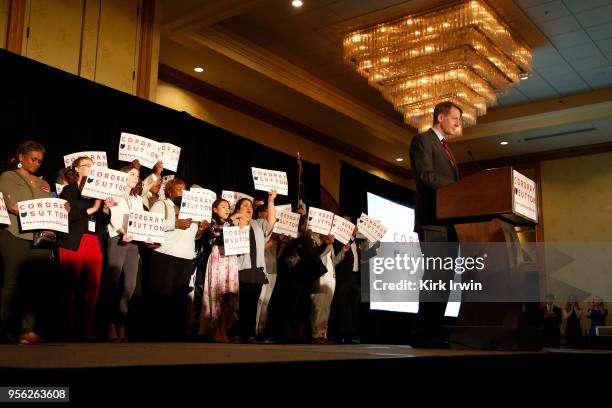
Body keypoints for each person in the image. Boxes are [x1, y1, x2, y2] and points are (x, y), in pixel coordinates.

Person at [408, 101, 461, 348]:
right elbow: (426, 175)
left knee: (446, 279)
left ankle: (434, 330)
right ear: (441, 117)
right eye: (455, 118)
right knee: (435, 277)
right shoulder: (422, 141)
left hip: (450, 223)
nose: (458, 123)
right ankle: (422, 333)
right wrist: (457, 189)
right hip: (432, 222)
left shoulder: (448, 149)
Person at [0, 141, 54, 344]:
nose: (37, 163)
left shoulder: (44, 184)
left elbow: (48, 206)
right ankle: (6, 329)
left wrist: (59, 208)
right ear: (21, 157)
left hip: (38, 238)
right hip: (14, 234)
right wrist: (18, 207)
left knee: (33, 285)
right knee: (11, 282)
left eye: (40, 161)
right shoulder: (8, 177)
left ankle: (27, 330)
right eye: (33, 159)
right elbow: (10, 202)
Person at [57, 156, 112, 340]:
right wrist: (92, 208)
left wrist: (104, 209)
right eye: (86, 165)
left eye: (92, 165)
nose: (90, 168)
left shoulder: (98, 192)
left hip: (93, 242)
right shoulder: (69, 190)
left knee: (92, 287)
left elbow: (104, 223)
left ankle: (87, 328)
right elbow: (67, 216)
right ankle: (67, 328)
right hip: (73, 240)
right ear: (77, 169)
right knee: (70, 285)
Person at [146, 178, 207, 339]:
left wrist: (200, 230)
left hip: (185, 257)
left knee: (179, 297)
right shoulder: (162, 205)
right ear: (169, 192)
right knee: (162, 295)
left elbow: (191, 237)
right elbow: (150, 225)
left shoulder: (191, 212)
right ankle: (155, 333)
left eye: (184, 189)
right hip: (164, 255)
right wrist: (175, 223)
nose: (182, 192)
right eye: (179, 189)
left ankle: (173, 333)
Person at [104, 161, 144, 341]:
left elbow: (142, 220)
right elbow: (113, 216)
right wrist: (122, 231)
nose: (136, 178)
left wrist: (146, 236)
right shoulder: (115, 194)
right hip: (117, 238)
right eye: (133, 175)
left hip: (133, 243)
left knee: (130, 285)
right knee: (113, 282)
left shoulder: (137, 198)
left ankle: (121, 321)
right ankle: (110, 323)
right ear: (123, 176)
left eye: (137, 175)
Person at [232, 191, 277, 343]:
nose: (249, 208)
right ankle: (237, 332)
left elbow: (271, 221)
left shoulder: (258, 223)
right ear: (238, 209)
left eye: (250, 206)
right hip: (240, 268)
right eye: (245, 205)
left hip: (256, 269)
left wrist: (270, 201)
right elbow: (226, 228)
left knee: (252, 304)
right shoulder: (233, 223)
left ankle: (249, 334)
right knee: (240, 304)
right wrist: (237, 218)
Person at [198, 198, 239, 342]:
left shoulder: (232, 224)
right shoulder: (211, 223)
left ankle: (223, 330)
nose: (227, 209)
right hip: (217, 258)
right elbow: (214, 235)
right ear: (215, 209)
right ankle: (214, 330)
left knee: (227, 297)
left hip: (230, 259)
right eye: (223, 206)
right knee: (216, 295)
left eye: (228, 207)